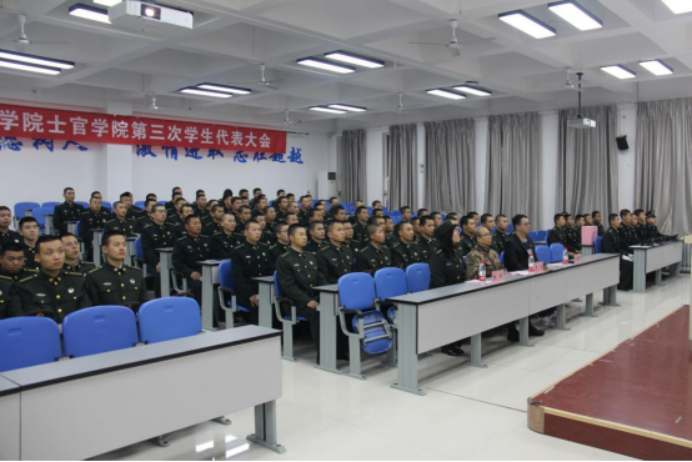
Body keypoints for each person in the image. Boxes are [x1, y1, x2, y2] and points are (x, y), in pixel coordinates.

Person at [276, 224, 328, 360]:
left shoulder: (311, 256)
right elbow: (289, 287)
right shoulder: (284, 259)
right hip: (295, 302)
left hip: (315, 298)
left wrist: (326, 295)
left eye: (305, 234)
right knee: (318, 313)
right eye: (300, 235)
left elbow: (320, 278)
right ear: (291, 237)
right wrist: (307, 301)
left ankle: (339, 350)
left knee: (334, 308)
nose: (305, 237)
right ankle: (323, 355)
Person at [17, 236, 91, 321]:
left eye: (60, 251)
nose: (57, 257)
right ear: (37, 257)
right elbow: (34, 320)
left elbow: (85, 313)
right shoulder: (26, 286)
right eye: (49, 253)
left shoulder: (77, 280)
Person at [428, 221, 466, 356]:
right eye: (455, 231)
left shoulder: (456, 252)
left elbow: (462, 275)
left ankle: (457, 342)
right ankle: (447, 344)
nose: (458, 234)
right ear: (447, 235)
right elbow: (439, 282)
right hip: (442, 294)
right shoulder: (438, 255)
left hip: (456, 292)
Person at [85, 231, 147, 309]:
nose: (122, 248)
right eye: (116, 245)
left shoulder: (136, 273)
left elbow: (144, 305)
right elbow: (94, 309)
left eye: (124, 245)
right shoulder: (94, 276)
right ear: (105, 249)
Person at [230, 220, 274, 324]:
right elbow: (238, 277)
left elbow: (270, 270)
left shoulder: (265, 248)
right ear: (245, 232)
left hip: (265, 289)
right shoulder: (238, 251)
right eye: (254, 230)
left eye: (259, 230)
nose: (257, 232)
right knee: (259, 304)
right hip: (246, 291)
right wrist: (250, 294)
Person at [172, 214, 213, 301]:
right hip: (190, 274)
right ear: (187, 226)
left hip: (207, 272)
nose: (198, 226)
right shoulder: (181, 242)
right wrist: (190, 272)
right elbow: (178, 263)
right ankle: (200, 307)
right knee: (201, 285)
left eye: (199, 223)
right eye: (195, 223)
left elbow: (212, 257)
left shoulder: (207, 239)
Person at [140, 205, 177, 297]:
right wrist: (157, 262)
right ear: (152, 214)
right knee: (160, 274)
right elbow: (147, 250)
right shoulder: (147, 230)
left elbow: (177, 246)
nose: (163, 214)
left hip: (172, 260)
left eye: (164, 211)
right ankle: (160, 299)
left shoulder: (172, 228)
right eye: (160, 212)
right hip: (154, 262)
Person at [602, 213, 633, 291]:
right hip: (611, 257)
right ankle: (622, 285)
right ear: (612, 222)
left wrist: (626, 254)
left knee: (632, 259)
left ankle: (629, 283)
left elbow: (619, 247)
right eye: (617, 220)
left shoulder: (616, 232)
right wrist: (621, 255)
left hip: (617, 255)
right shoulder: (608, 233)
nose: (619, 221)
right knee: (627, 264)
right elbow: (608, 251)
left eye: (619, 219)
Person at [79, 196, 112, 260]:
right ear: (90, 204)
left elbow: (109, 229)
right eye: (95, 203)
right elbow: (84, 231)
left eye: (99, 203)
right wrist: (91, 241)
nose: (97, 205)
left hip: (104, 240)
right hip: (89, 241)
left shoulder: (105, 215)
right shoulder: (84, 216)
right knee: (93, 250)